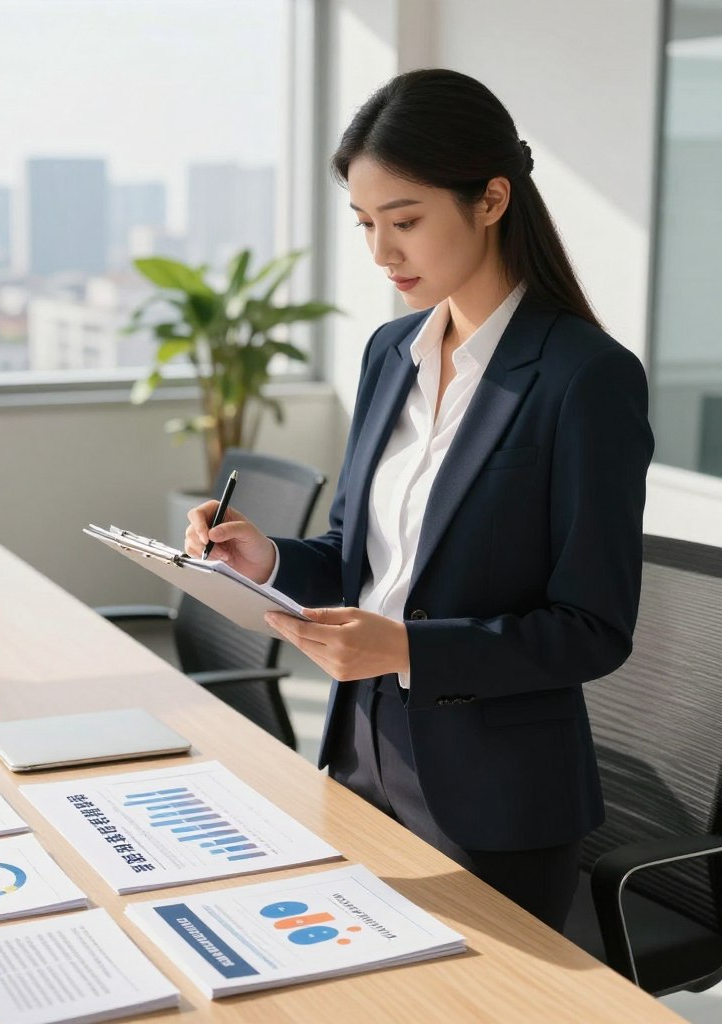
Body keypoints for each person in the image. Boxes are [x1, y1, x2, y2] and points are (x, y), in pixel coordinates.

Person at [184, 68, 655, 933]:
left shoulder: (585, 378)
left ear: (490, 199)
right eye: (366, 224)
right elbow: (361, 557)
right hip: (361, 761)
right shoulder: (389, 352)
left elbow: (593, 629)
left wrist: (408, 649)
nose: (381, 253)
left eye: (404, 221)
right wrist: (272, 558)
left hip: (497, 808)